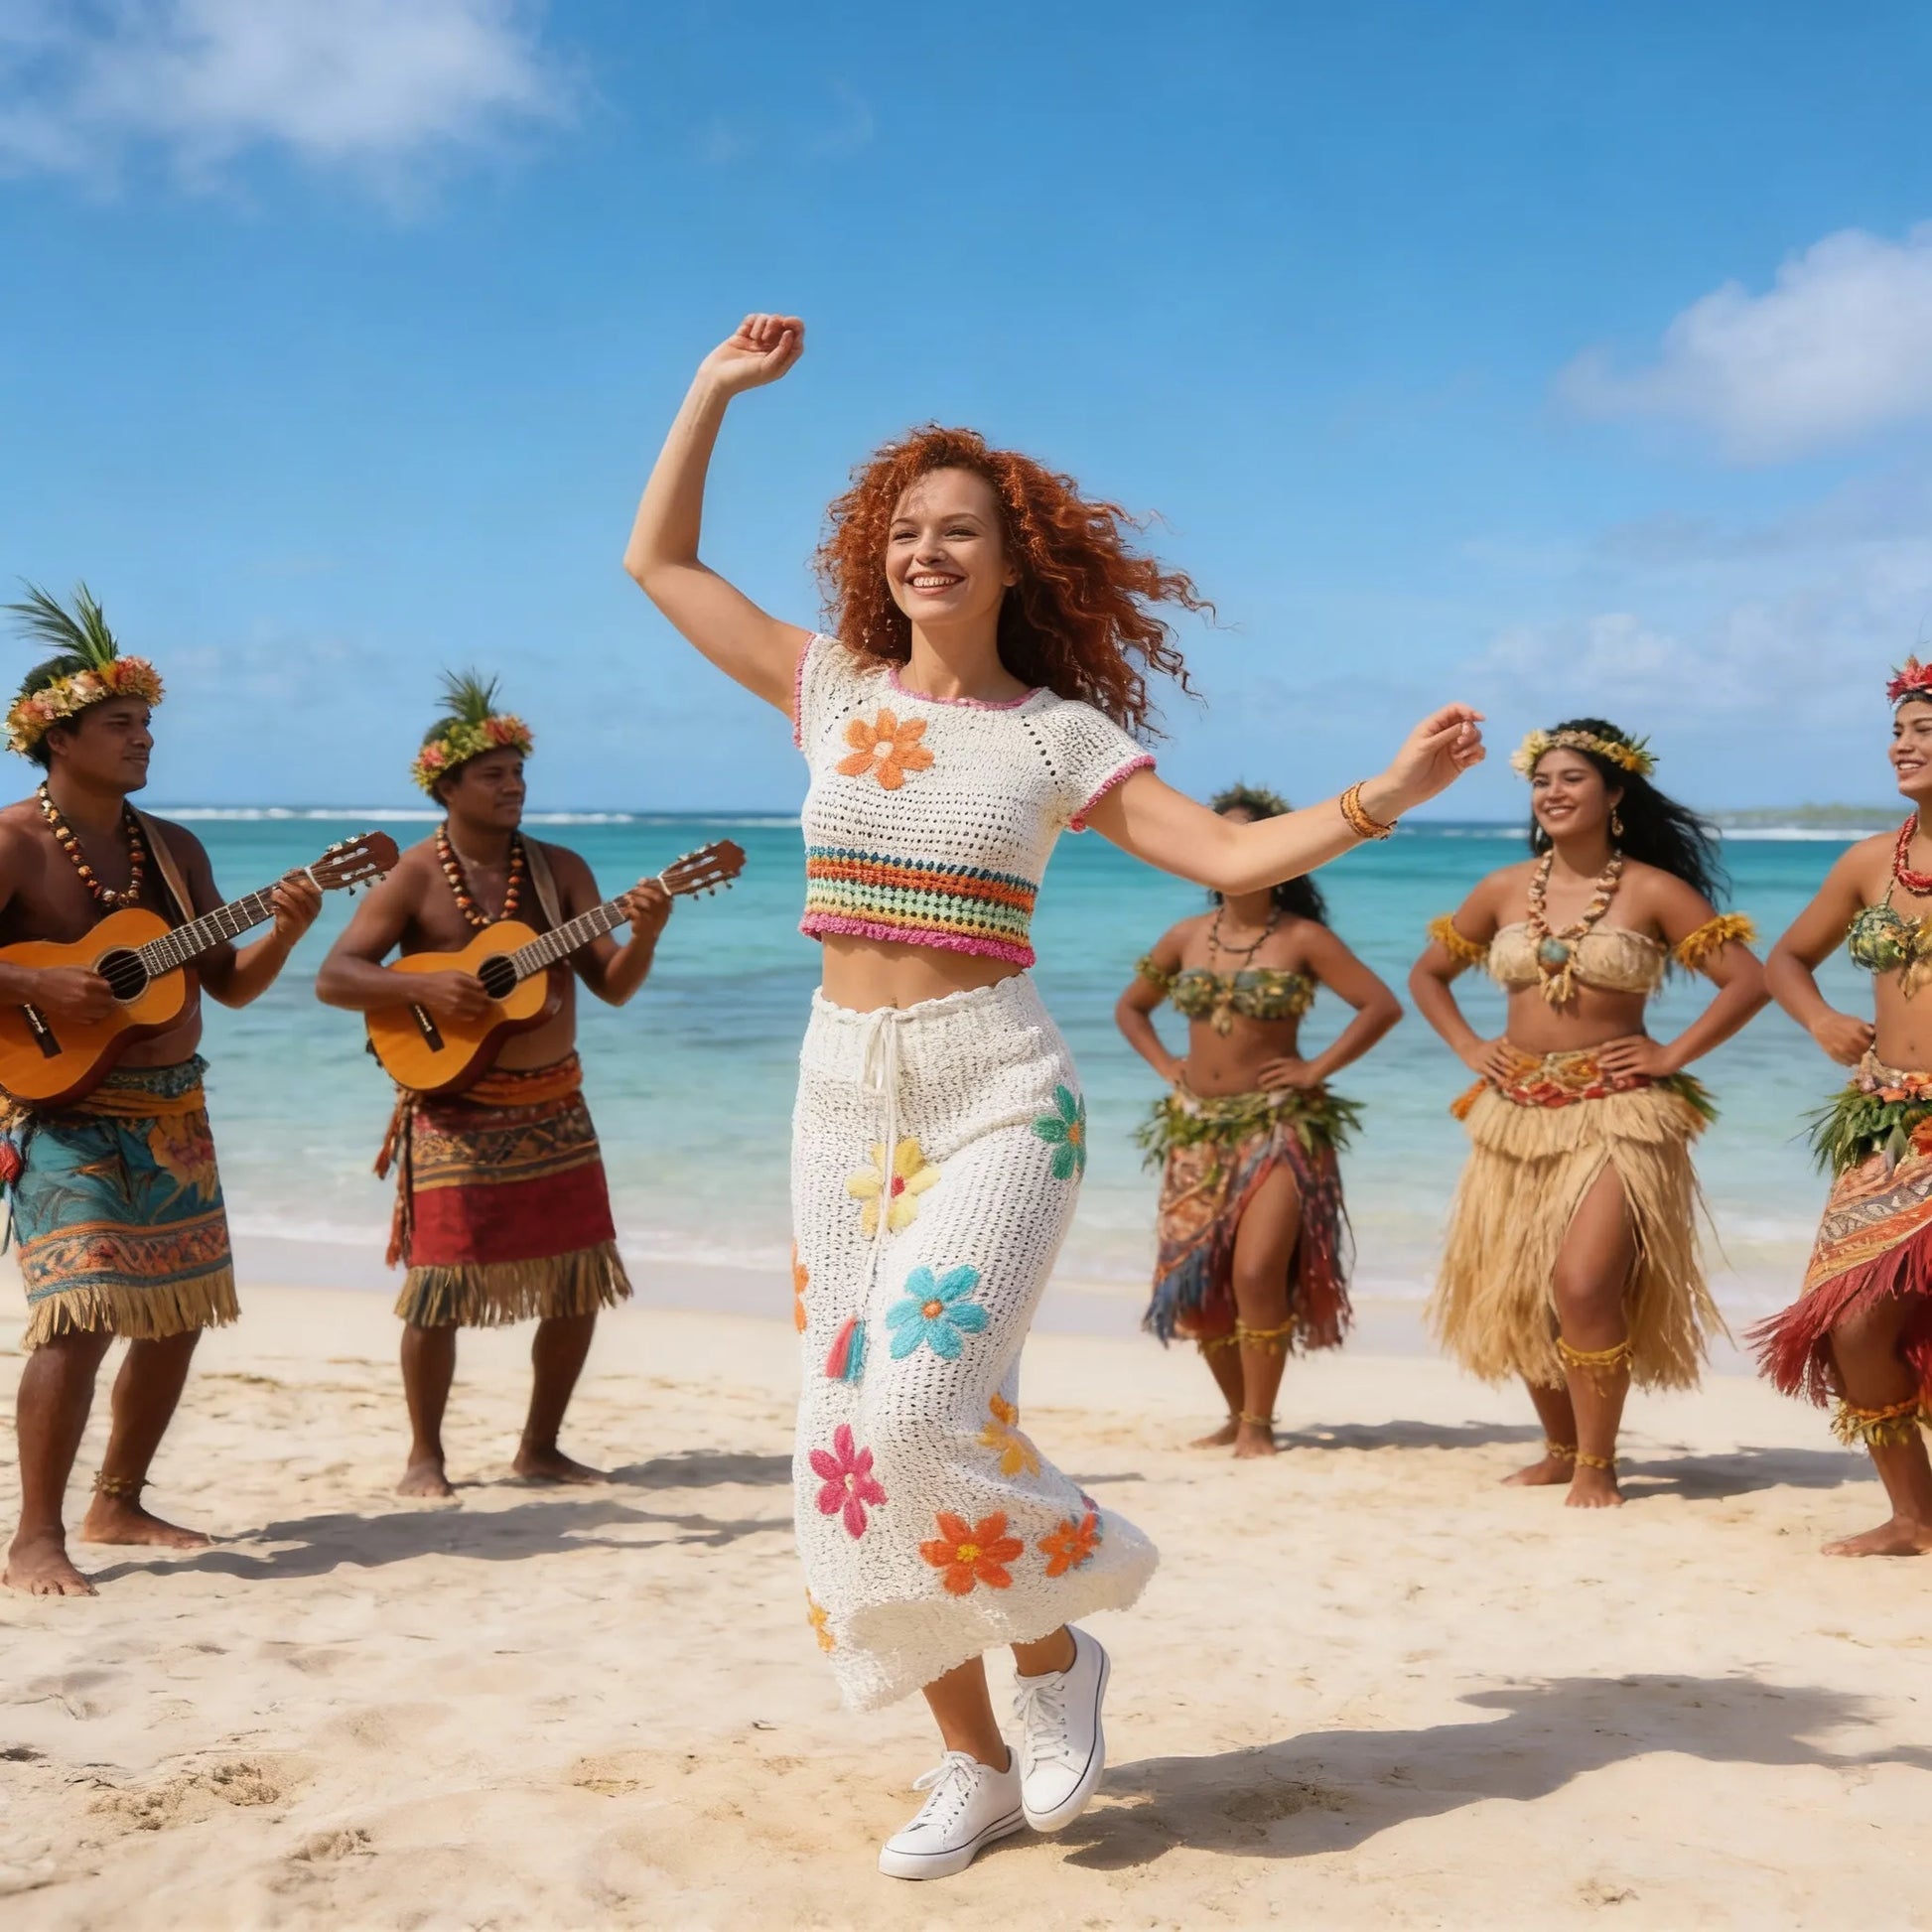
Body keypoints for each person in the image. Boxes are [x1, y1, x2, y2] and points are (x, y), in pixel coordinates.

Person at [622, 312, 1484, 1879]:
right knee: (846, 1444)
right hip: (839, 1100)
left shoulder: (1056, 735)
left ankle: (1055, 1653)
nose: (925, 551)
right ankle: (973, 1764)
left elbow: (1225, 856)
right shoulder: (829, 691)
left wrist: (1380, 799)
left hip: (998, 1094)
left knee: (915, 1405)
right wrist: (707, 395)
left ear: (1016, 562)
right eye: (904, 530)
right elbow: (661, 567)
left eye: (959, 531)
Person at [1, 585, 321, 1596]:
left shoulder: (174, 849)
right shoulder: (11, 841)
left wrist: (289, 927)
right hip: (61, 1111)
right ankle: (34, 1536)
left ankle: (119, 1499)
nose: (144, 738)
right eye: (121, 723)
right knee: (79, 1313)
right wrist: (32, 979)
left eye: (148, 722)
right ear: (58, 737)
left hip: (173, 1107)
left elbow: (221, 984)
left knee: (176, 1310)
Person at [315, 673, 670, 1498]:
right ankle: (423, 1458)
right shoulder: (411, 876)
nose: (512, 788)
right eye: (493, 776)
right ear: (445, 786)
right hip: (454, 1109)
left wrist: (645, 933)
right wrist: (423, 989)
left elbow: (613, 984)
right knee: (437, 1289)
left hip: (555, 1102)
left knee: (578, 1277)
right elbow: (336, 977)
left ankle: (539, 1447)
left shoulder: (557, 872)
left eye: (519, 775)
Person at [1409, 718, 1765, 1508]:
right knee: (1527, 1284)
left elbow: (1749, 981)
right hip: (1515, 1110)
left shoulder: (1653, 890)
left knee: (1583, 1282)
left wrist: (1670, 1055)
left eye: (1572, 779)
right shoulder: (1503, 888)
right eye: (1542, 781)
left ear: (1614, 794)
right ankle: (1561, 1447)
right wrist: (1472, 1047)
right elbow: (1429, 975)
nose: (1553, 793)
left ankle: (1598, 1466)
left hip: (1618, 1113)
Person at [1116, 782, 1400, 1455]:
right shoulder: (1183, 937)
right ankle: (1237, 1412)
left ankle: (1259, 1426)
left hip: (1278, 1126)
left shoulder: (1304, 938)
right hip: (1194, 1129)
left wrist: (1314, 1069)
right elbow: (1132, 1008)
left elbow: (1380, 1005)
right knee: (1196, 1281)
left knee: (1254, 1273)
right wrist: (1166, 1067)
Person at [1754, 658, 1932, 1556]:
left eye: (1924, 730)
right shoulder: (1872, 862)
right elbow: (1784, 959)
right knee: (1852, 1324)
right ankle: (1913, 1516)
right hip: (1890, 1128)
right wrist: (1820, 1016)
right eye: (1898, 731)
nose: (1904, 745)